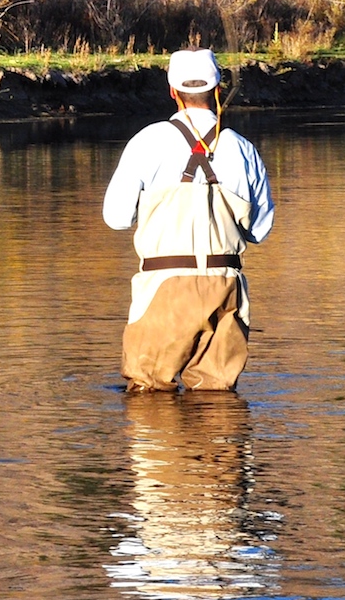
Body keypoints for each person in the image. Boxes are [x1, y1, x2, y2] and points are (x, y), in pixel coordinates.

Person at [102, 49, 275, 391]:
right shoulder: (243, 148)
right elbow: (260, 230)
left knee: (148, 398)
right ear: (218, 91)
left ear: (172, 91)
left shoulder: (146, 142)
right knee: (218, 403)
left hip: (162, 288)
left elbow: (116, 218)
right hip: (226, 288)